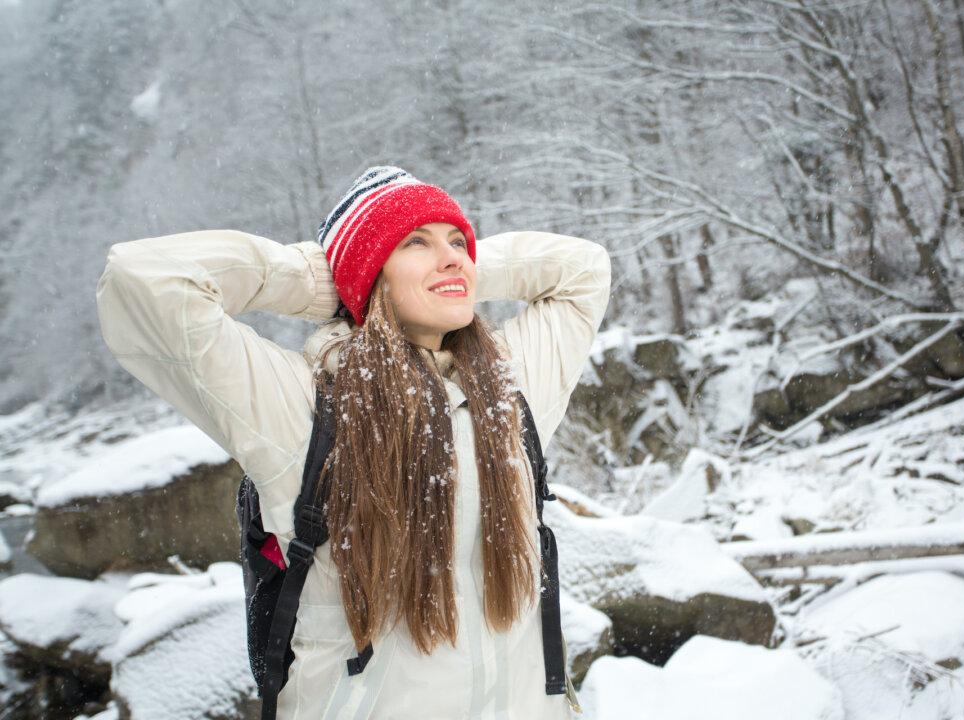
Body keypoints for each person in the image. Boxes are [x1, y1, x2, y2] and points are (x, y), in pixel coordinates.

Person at [95, 165, 612, 719]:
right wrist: (329, 278)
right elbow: (142, 279)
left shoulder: (510, 389)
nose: (453, 256)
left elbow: (584, 269)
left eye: (458, 241)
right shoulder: (302, 407)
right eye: (415, 242)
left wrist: (448, 273)